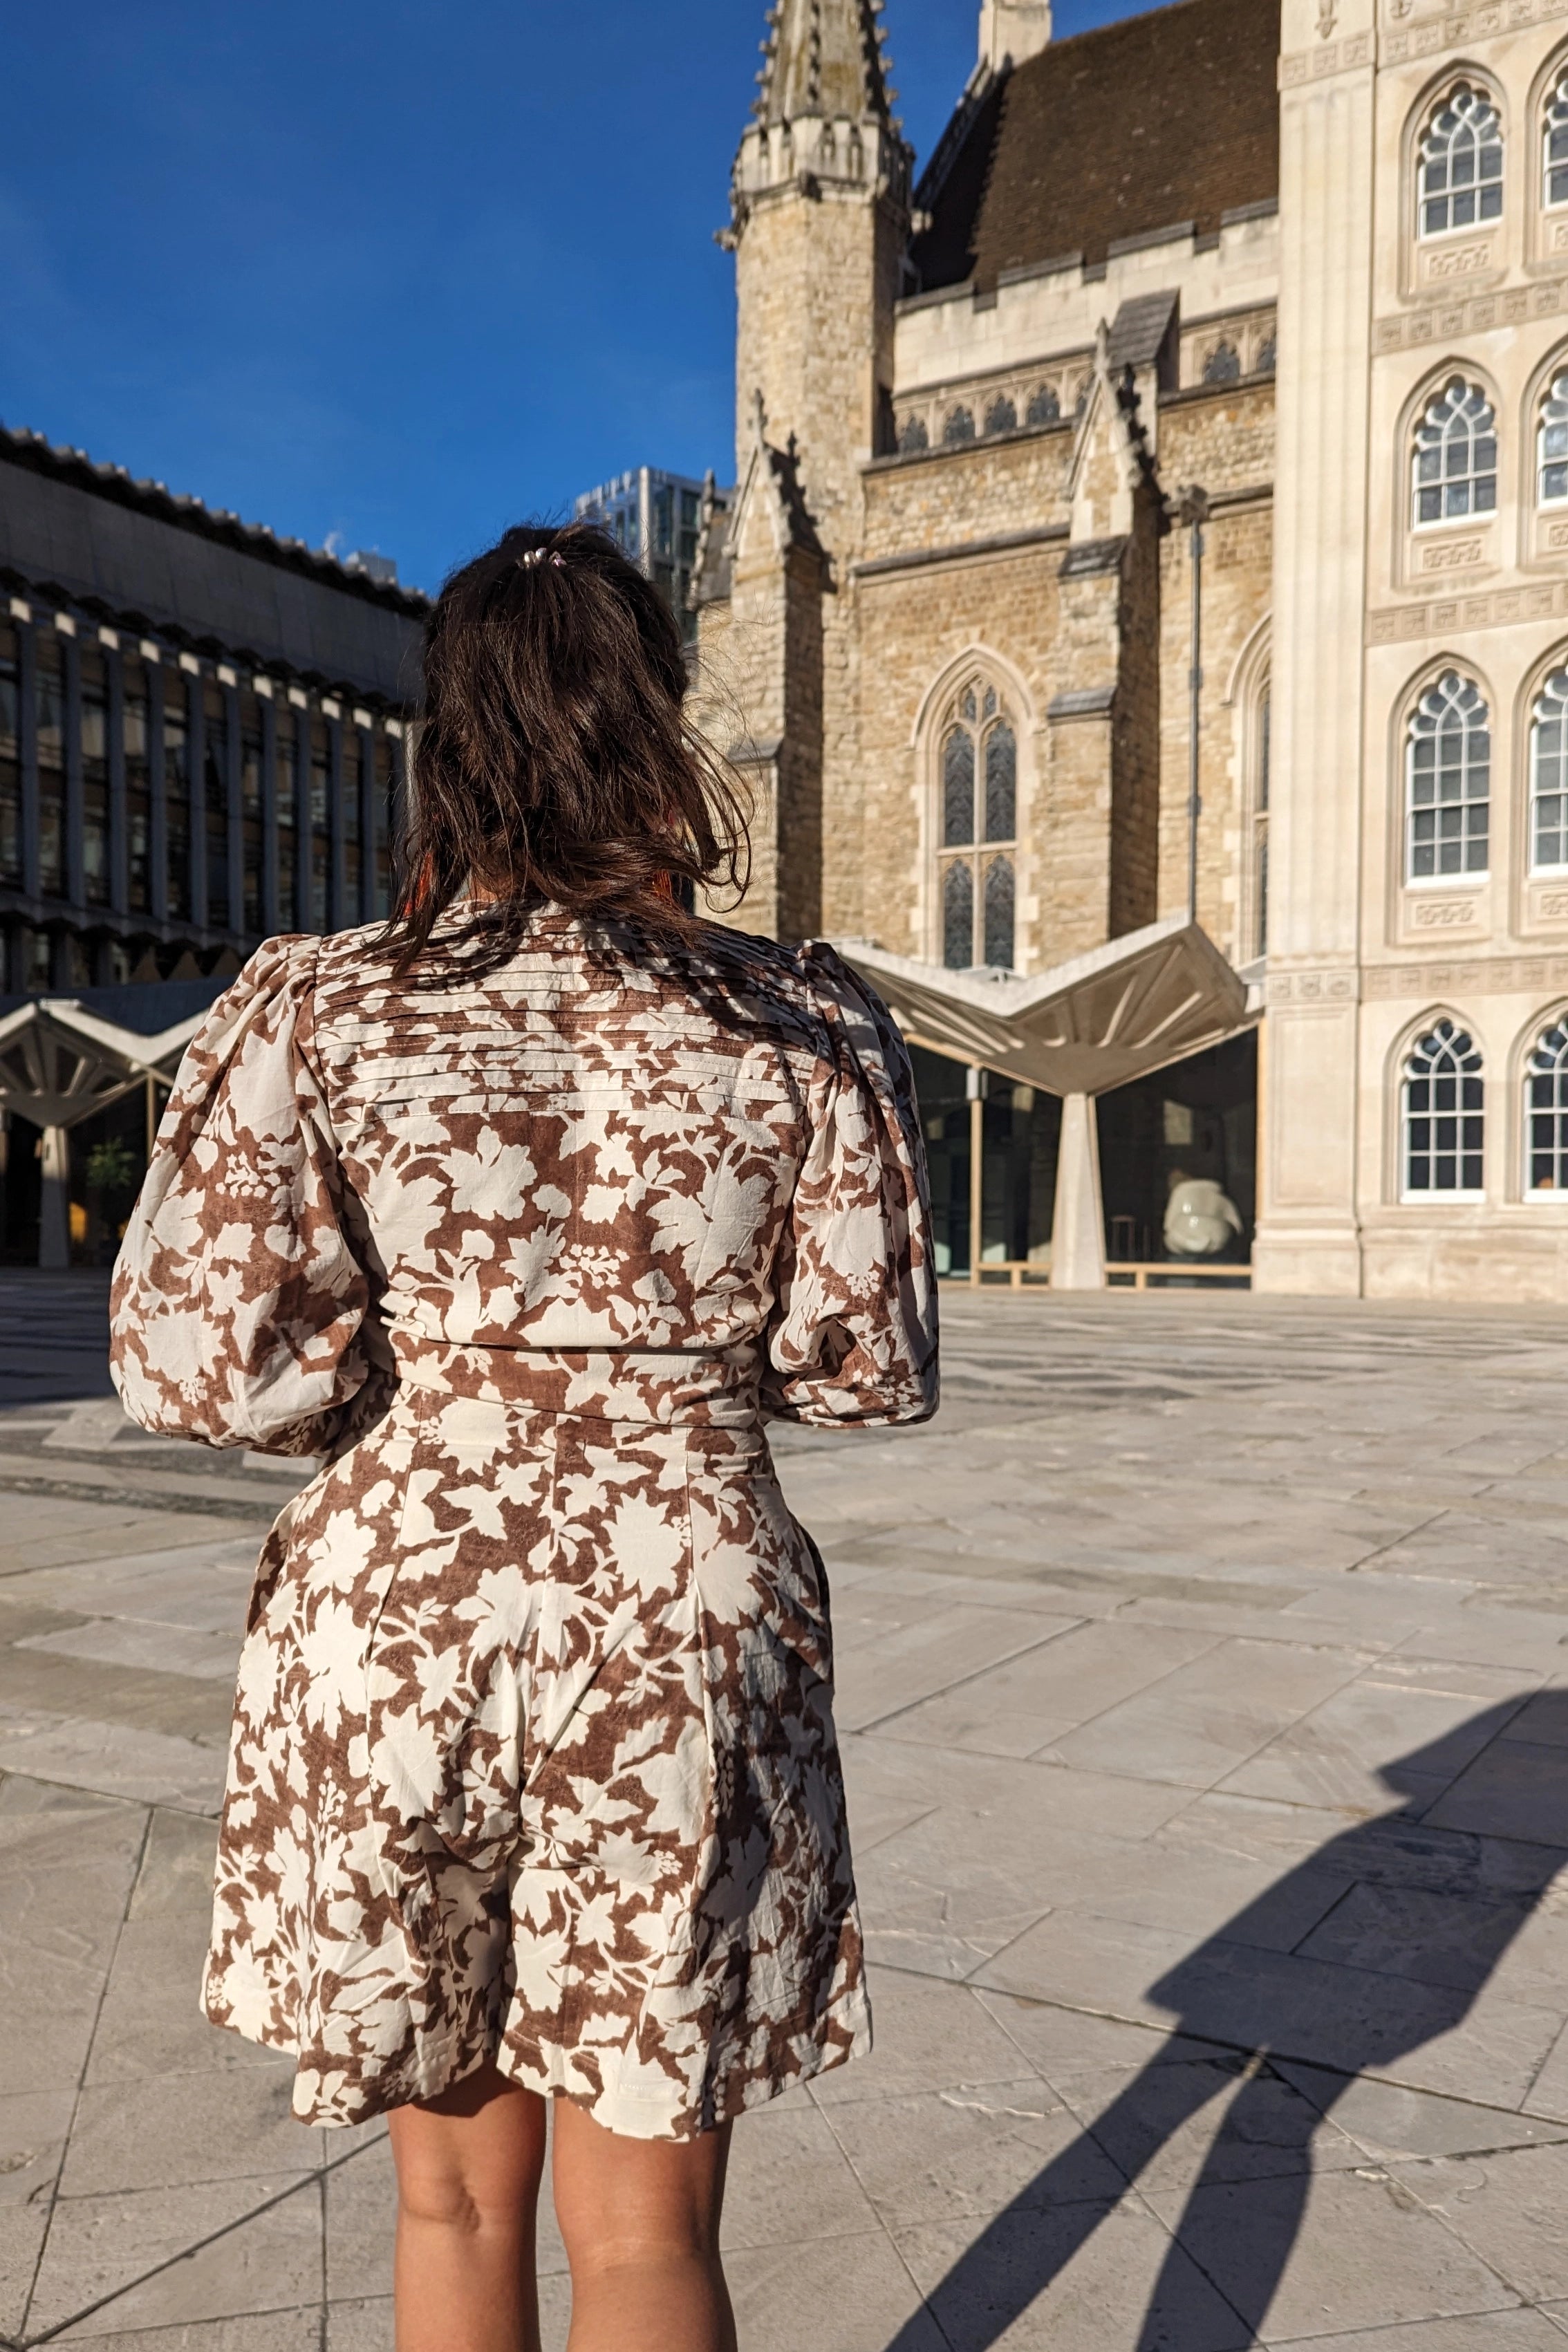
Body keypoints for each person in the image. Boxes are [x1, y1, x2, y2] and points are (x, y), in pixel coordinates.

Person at [107, 521, 939, 2352]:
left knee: (453, 2192)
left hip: (405, 1609)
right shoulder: (794, 1015)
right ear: (658, 719)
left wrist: (408, 1370)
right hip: (687, 1609)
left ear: (445, 736)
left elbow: (197, 1366)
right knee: (643, 2239)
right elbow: (864, 1361)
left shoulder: (322, 1003)